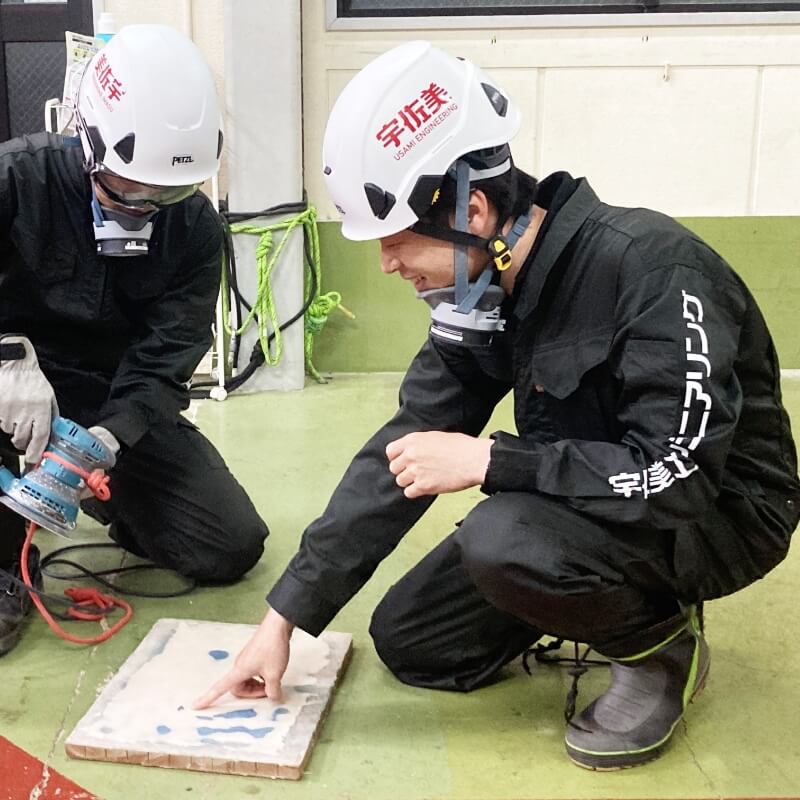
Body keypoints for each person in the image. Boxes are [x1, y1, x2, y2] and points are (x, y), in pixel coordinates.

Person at [195, 41, 799, 769]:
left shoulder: (653, 271)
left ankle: (658, 645)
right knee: (413, 642)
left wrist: (491, 458)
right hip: (596, 499)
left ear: (472, 211)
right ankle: (597, 591)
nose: (387, 265)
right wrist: (285, 617)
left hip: (715, 514)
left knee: (501, 537)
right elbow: (406, 448)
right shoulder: (480, 292)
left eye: (395, 242)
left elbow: (679, 475)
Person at [0, 25, 268, 656]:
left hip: (107, 400)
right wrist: (6, 357)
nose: (144, 207)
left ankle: (99, 499)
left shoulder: (195, 232)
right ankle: (9, 561)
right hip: (6, 391)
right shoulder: (16, 181)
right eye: (126, 187)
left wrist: (108, 439)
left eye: (168, 192)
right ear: (87, 140)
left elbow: (166, 358)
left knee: (227, 544)